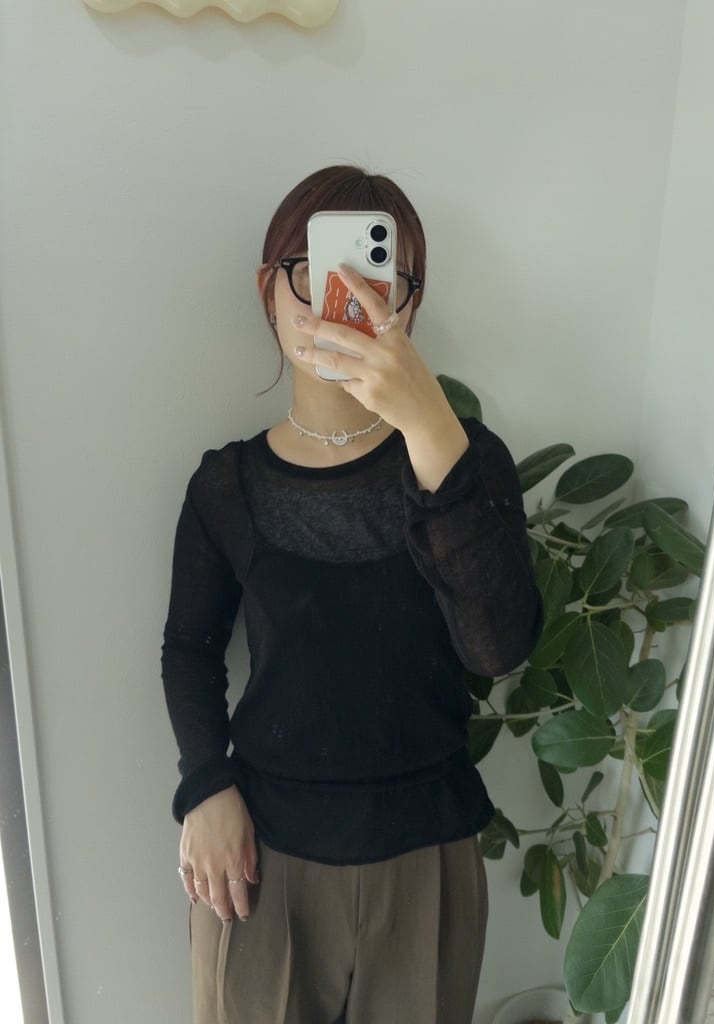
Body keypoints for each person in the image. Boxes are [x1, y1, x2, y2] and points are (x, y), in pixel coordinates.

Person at [161, 165, 542, 1024]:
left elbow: (497, 649)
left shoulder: (466, 457)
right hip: (259, 857)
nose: (343, 298)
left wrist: (430, 426)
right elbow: (189, 651)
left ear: (410, 302)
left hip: (426, 855)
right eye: (313, 270)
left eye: (377, 273)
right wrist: (204, 788)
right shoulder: (225, 485)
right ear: (268, 290)